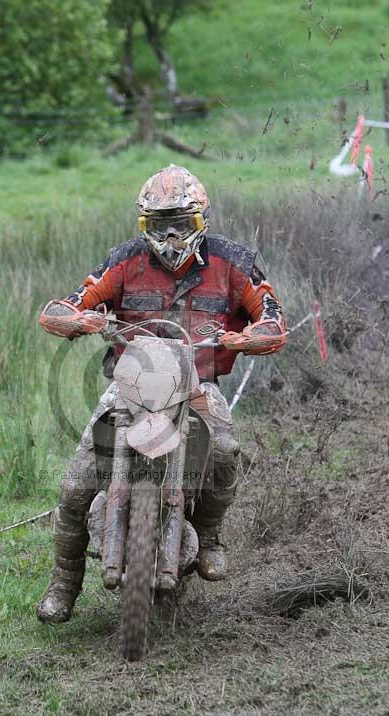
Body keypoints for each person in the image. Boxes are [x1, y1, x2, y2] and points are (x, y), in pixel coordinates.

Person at [37, 165, 287, 624]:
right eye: (158, 226)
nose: (170, 237)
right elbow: (65, 306)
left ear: (201, 221)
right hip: (129, 384)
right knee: (74, 485)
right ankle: (63, 583)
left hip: (198, 385)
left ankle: (208, 534)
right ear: (143, 226)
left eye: (180, 225)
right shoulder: (123, 261)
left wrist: (245, 337)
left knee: (226, 451)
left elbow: (273, 319)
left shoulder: (234, 262)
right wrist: (80, 319)